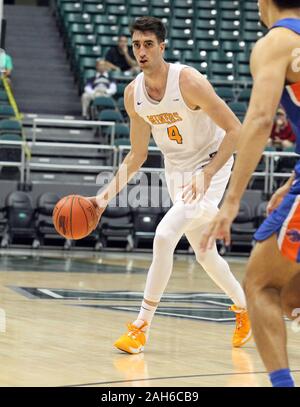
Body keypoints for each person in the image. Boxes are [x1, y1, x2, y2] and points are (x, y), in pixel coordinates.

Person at [89, 16, 251, 354]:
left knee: (164, 236)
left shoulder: (188, 81)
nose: (142, 51)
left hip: (212, 165)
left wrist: (207, 173)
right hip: (176, 171)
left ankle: (140, 326)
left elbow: (236, 130)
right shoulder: (133, 93)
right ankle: (244, 307)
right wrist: (101, 199)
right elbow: (136, 156)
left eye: (148, 44)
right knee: (205, 254)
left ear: (162, 47)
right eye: (136, 45)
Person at [199, 0, 300, 388]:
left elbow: (258, 120)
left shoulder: (276, 42)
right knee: (290, 297)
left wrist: (232, 201)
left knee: (260, 285)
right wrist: (292, 182)